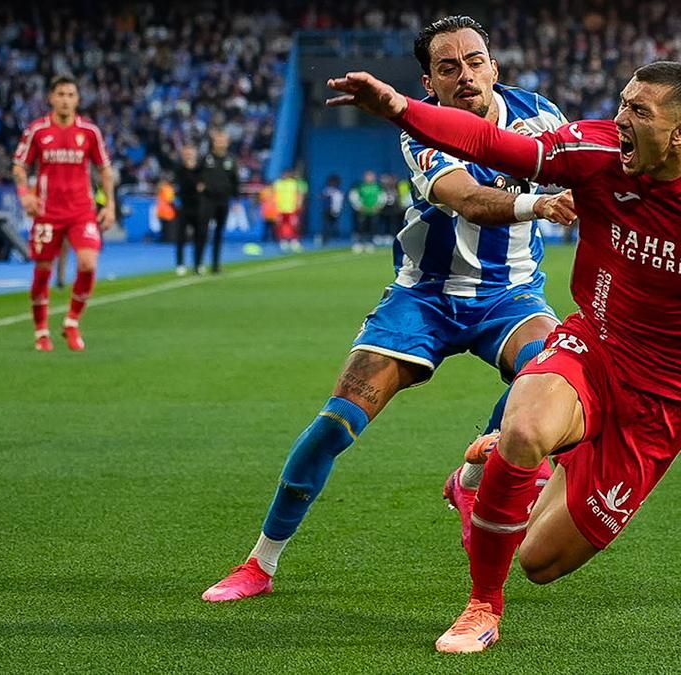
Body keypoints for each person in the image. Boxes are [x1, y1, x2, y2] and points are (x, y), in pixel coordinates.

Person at [325, 60, 681, 653]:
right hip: (595, 347)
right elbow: (491, 142)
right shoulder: (595, 150)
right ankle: (483, 604)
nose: (621, 120)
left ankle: (509, 470)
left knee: (540, 561)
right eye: (622, 104)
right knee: (525, 426)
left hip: (668, 402)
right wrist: (401, 109)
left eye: (640, 112)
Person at [201, 15, 577, 604]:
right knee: (334, 426)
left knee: (553, 369)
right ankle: (260, 564)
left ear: (494, 66)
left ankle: (472, 478)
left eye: (475, 61)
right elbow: (470, 201)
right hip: (422, 297)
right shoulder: (419, 132)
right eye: (448, 67)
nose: (466, 75)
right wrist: (541, 204)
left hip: (512, 297)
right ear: (430, 82)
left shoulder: (544, 116)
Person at [13, 74, 116, 352]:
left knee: (88, 263)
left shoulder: (90, 132)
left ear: (78, 100)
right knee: (43, 269)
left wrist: (110, 205)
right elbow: (19, 166)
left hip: (81, 210)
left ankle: (72, 322)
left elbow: (104, 170)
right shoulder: (37, 130)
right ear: (51, 98)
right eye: (60, 94)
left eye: (71, 95)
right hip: (47, 211)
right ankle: (41, 331)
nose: (65, 100)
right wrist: (25, 196)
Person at [200, 129, 239, 273]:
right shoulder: (206, 158)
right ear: (213, 142)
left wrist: (236, 199)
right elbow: (197, 174)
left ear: (227, 143)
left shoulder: (231, 159)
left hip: (223, 200)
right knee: (203, 231)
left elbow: (235, 181)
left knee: (219, 232)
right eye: (218, 140)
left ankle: (215, 264)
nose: (221, 143)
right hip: (207, 200)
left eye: (223, 140)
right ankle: (199, 263)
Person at [173, 145, 205, 275]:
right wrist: (196, 185)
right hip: (185, 207)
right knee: (181, 237)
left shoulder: (200, 169)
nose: (188, 155)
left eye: (190, 153)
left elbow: (203, 186)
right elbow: (186, 185)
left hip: (199, 207)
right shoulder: (179, 169)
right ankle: (180, 264)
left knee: (200, 237)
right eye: (186, 153)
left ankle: (198, 263)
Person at [347, 170, 382, 252]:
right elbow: (353, 196)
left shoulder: (377, 186)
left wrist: (378, 206)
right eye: (368, 176)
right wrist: (359, 206)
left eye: (371, 176)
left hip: (373, 211)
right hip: (362, 211)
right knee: (361, 227)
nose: (370, 178)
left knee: (372, 227)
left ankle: (369, 243)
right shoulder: (360, 186)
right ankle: (359, 243)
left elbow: (382, 197)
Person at [272, 169, 303, 252]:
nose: (285, 175)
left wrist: (298, 205)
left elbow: (298, 195)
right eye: (283, 174)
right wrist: (275, 209)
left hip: (291, 209)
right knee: (281, 226)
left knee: (294, 226)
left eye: (286, 174)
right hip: (280, 209)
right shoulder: (277, 183)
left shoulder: (293, 183)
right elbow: (274, 197)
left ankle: (294, 242)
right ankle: (283, 243)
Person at [320, 174, 345, 244]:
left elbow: (341, 201)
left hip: (336, 210)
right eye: (332, 182)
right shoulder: (327, 190)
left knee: (334, 225)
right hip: (327, 210)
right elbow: (322, 197)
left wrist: (338, 209)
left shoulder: (339, 191)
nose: (334, 183)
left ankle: (335, 238)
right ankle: (325, 239)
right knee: (326, 225)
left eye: (335, 182)